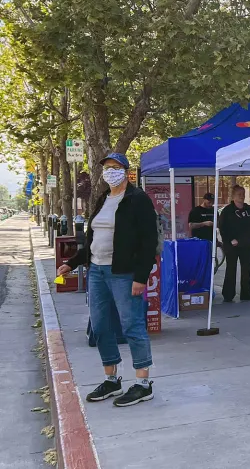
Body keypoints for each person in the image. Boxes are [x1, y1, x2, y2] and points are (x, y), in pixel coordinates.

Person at [57, 152, 158, 407]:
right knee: (100, 327)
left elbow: (149, 243)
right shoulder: (103, 199)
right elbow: (92, 240)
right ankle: (111, 379)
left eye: (115, 167)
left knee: (132, 325)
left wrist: (141, 277)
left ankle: (143, 383)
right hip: (97, 272)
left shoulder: (138, 200)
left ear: (125, 170)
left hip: (123, 274)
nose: (110, 172)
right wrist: (72, 263)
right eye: (106, 168)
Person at [218, 185, 250, 302]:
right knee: (231, 268)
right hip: (232, 245)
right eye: (239, 194)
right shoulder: (227, 211)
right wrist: (230, 240)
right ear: (233, 196)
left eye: (243, 194)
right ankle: (228, 294)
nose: (242, 197)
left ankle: (246, 294)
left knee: (246, 269)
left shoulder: (249, 209)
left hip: (246, 245)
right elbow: (222, 228)